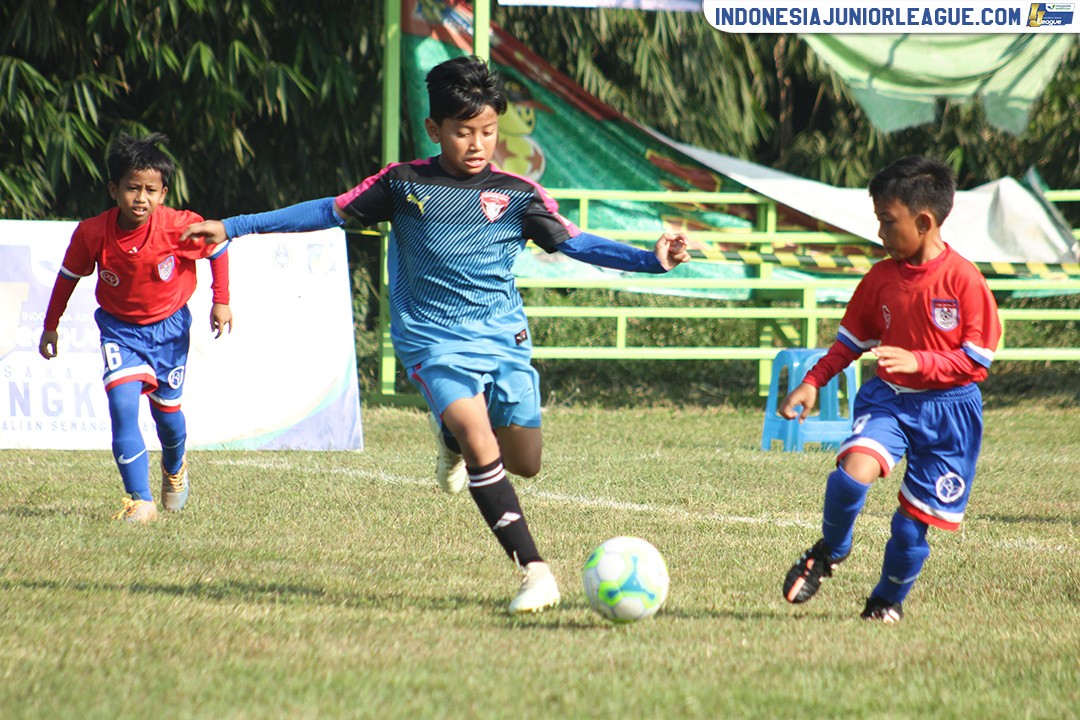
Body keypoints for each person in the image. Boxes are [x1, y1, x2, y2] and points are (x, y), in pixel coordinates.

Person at [181, 55, 690, 614]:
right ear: (435, 129)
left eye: (489, 131)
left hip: (503, 340)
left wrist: (652, 260)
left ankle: (446, 436)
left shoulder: (518, 193)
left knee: (526, 462)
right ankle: (535, 572)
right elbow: (327, 210)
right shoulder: (404, 184)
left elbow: (574, 242)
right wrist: (234, 226)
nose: (477, 144)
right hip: (432, 339)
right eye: (463, 131)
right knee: (480, 441)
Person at [778, 155, 1001, 623]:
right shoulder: (880, 279)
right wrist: (811, 382)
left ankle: (886, 600)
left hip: (950, 416)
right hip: (891, 401)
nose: (880, 234)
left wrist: (919, 360)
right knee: (850, 474)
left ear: (924, 221)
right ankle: (831, 551)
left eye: (887, 222)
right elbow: (848, 344)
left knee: (908, 529)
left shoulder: (964, 281)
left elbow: (977, 361)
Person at [39, 132, 233, 524]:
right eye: (132, 188)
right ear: (114, 189)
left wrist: (221, 299)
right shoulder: (92, 233)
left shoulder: (178, 226)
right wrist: (50, 325)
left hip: (170, 329)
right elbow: (66, 277)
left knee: (168, 416)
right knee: (122, 406)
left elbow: (216, 245)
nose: (141, 198)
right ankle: (139, 500)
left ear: (163, 193)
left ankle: (174, 466)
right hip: (120, 331)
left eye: (150, 190)